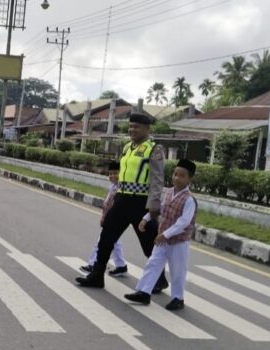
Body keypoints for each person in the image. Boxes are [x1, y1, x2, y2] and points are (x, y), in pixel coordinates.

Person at [76, 112, 168, 291]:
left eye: (137, 127)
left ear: (147, 129)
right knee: (106, 237)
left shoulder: (155, 149)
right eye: (131, 126)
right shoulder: (127, 148)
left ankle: (159, 279)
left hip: (141, 203)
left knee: (149, 244)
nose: (132, 129)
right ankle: (97, 275)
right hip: (122, 199)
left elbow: (158, 179)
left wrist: (154, 207)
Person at [125, 159, 197, 311]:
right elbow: (161, 209)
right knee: (153, 263)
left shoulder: (189, 199)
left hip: (178, 242)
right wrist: (146, 218)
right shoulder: (169, 192)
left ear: (190, 179)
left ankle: (178, 298)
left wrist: (165, 234)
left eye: (182, 176)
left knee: (177, 271)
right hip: (163, 239)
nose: (177, 178)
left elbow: (184, 222)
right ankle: (144, 292)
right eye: (175, 174)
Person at [81, 161, 127, 275]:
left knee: (101, 242)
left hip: (115, 219)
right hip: (109, 218)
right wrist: (103, 217)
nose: (112, 176)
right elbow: (107, 204)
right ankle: (121, 266)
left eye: (115, 173)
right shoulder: (112, 186)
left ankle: (93, 264)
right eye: (110, 173)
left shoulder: (122, 188)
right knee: (115, 242)